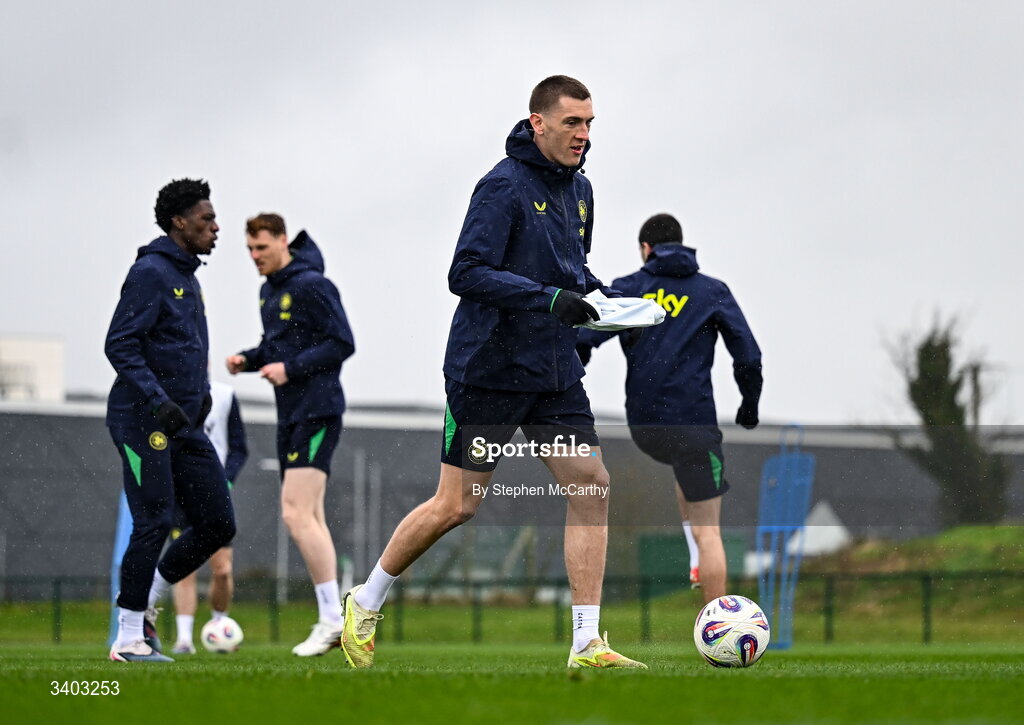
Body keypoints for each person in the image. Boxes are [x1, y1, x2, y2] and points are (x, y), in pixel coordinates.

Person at [339, 75, 647, 670]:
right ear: (538, 123)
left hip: (553, 372)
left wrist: (611, 306)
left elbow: (570, 271)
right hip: (488, 370)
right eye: (571, 124)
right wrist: (548, 299)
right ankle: (366, 597)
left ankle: (587, 644)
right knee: (457, 506)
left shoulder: (581, 190)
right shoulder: (501, 187)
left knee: (591, 483)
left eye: (590, 124)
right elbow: (466, 273)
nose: (583, 136)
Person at [576, 213, 762, 603]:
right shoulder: (712, 291)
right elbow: (748, 356)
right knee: (710, 529)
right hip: (694, 424)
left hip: (645, 426)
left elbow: (584, 335)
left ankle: (694, 555)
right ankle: (719, 621)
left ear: (646, 249)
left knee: (682, 464)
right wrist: (749, 403)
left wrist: (576, 365)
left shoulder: (631, 288)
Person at [105, 178, 236, 662]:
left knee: (218, 524)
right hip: (142, 422)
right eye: (207, 219)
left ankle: (149, 604)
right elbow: (119, 343)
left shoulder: (189, 276)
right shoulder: (151, 273)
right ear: (179, 222)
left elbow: (184, 351)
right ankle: (127, 639)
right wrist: (159, 401)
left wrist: (197, 401)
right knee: (154, 520)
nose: (216, 227)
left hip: (184, 426)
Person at [226, 213, 355, 656]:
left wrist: (290, 369)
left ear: (283, 241)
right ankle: (335, 618)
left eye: (261, 247)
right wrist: (249, 358)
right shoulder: (269, 291)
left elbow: (342, 343)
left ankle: (333, 619)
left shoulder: (312, 285)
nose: (255, 257)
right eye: (249, 250)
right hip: (291, 415)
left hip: (317, 411)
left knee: (295, 514)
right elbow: (280, 345)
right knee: (308, 517)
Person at [170, 379, 248, 654]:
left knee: (223, 569)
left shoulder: (225, 395)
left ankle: (219, 624)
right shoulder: (171, 390)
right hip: (181, 494)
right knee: (185, 567)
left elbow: (239, 447)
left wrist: (225, 480)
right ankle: (183, 639)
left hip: (214, 492)